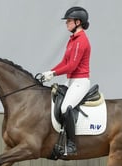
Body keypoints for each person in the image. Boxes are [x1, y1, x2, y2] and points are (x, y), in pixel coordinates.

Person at [42, 6, 91, 155]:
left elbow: (72, 66)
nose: (66, 24)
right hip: (70, 81)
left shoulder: (81, 41)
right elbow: (64, 62)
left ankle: (71, 145)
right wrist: (50, 71)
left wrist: (54, 73)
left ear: (78, 22)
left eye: (69, 21)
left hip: (80, 82)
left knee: (65, 108)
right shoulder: (72, 40)